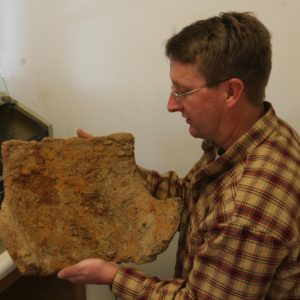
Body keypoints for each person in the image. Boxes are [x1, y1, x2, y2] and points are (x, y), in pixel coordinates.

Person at [57, 11, 300, 299]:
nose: (171, 105)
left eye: (183, 91)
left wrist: (112, 276)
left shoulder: (247, 208)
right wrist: (115, 170)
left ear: (231, 92)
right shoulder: (260, 135)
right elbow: (191, 196)